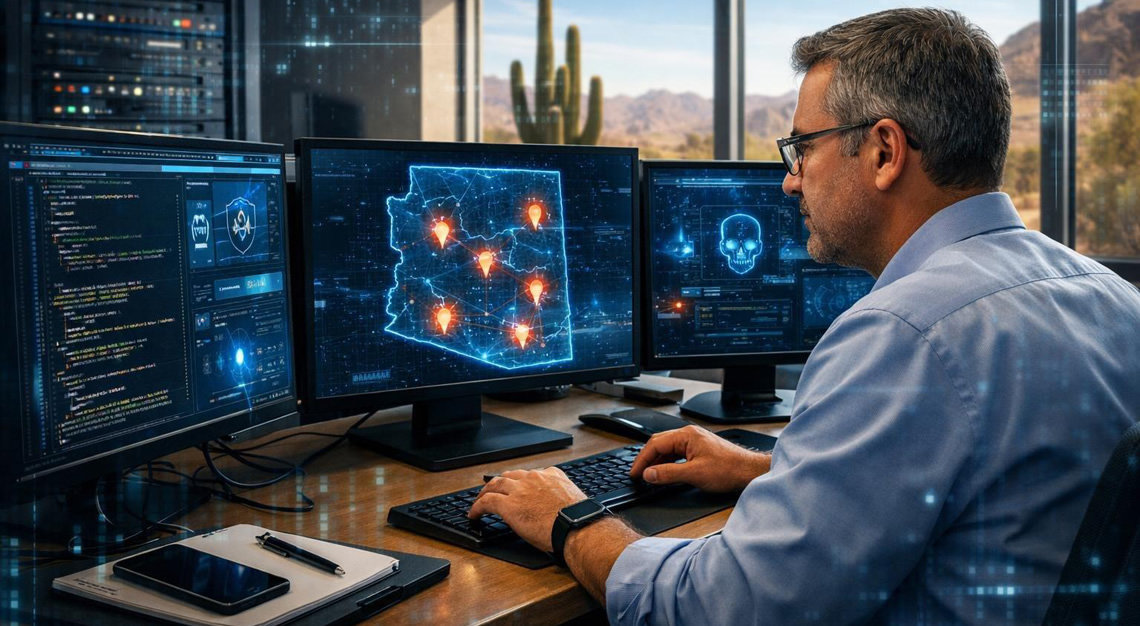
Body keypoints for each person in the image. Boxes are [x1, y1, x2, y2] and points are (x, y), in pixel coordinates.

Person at [468, 8, 1140, 624]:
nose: (791, 179)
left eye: (803, 148)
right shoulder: (1109, 296)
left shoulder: (905, 335)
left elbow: (723, 608)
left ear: (883, 151)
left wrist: (571, 519)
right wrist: (762, 466)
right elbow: (981, 478)